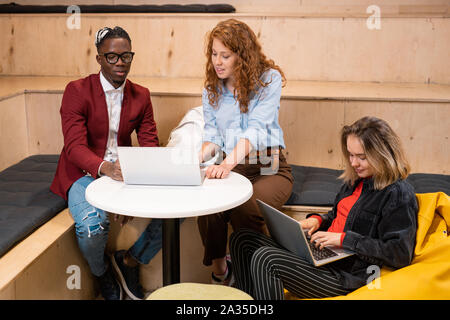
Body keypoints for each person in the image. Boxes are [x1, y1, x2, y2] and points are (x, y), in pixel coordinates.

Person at [230, 116, 418, 299]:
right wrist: (318, 220)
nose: (353, 163)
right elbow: (338, 215)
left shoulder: (398, 193)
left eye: (361, 157)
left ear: (382, 154)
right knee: (242, 239)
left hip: (352, 275)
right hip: (327, 257)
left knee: (267, 258)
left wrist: (344, 240)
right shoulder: (356, 181)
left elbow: (400, 253)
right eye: (351, 155)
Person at [50, 26, 163, 300]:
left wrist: (137, 187)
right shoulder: (77, 91)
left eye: (126, 56)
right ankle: (103, 275)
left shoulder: (142, 95)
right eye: (112, 57)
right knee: (91, 227)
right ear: (99, 58)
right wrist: (107, 169)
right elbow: (74, 147)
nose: (120, 63)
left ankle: (129, 261)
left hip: (124, 174)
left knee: (175, 211)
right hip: (83, 173)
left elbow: (150, 144)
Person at [198, 19, 294, 285]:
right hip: (233, 166)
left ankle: (254, 278)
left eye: (225, 55)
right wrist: (196, 158)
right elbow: (212, 137)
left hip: (269, 166)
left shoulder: (269, 80)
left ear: (242, 55)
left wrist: (226, 165)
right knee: (209, 206)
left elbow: (255, 130)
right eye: (214, 54)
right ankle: (221, 274)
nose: (217, 61)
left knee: (245, 207)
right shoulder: (211, 89)